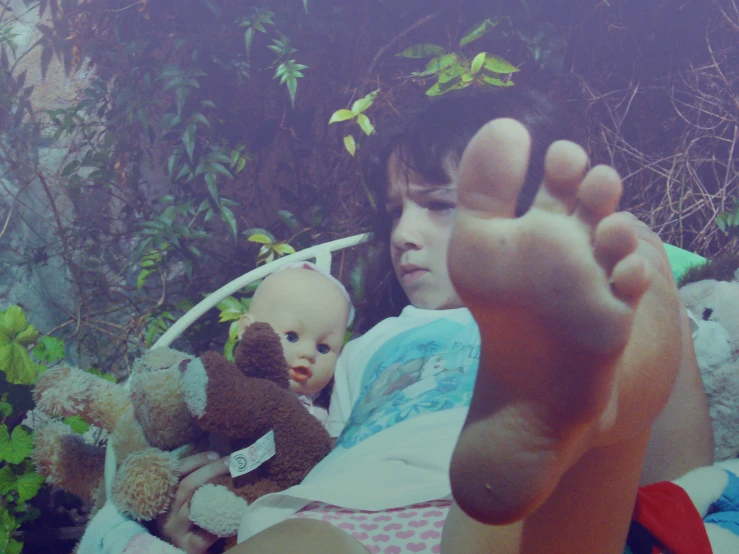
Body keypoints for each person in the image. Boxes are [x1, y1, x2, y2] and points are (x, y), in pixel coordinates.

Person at [145, 91, 715, 553]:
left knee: (523, 514)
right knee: (303, 542)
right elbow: (312, 443)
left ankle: (604, 412)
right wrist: (233, 476)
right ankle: (582, 429)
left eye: (438, 204)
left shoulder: (561, 319)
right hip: (339, 506)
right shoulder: (369, 346)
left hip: (502, 505)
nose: (402, 235)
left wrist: (648, 285)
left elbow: (684, 478)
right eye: (396, 211)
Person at [236, 261, 355, 427]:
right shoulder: (237, 386)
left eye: (323, 348)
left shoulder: (328, 416)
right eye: (291, 337)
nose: (308, 353)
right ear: (247, 329)